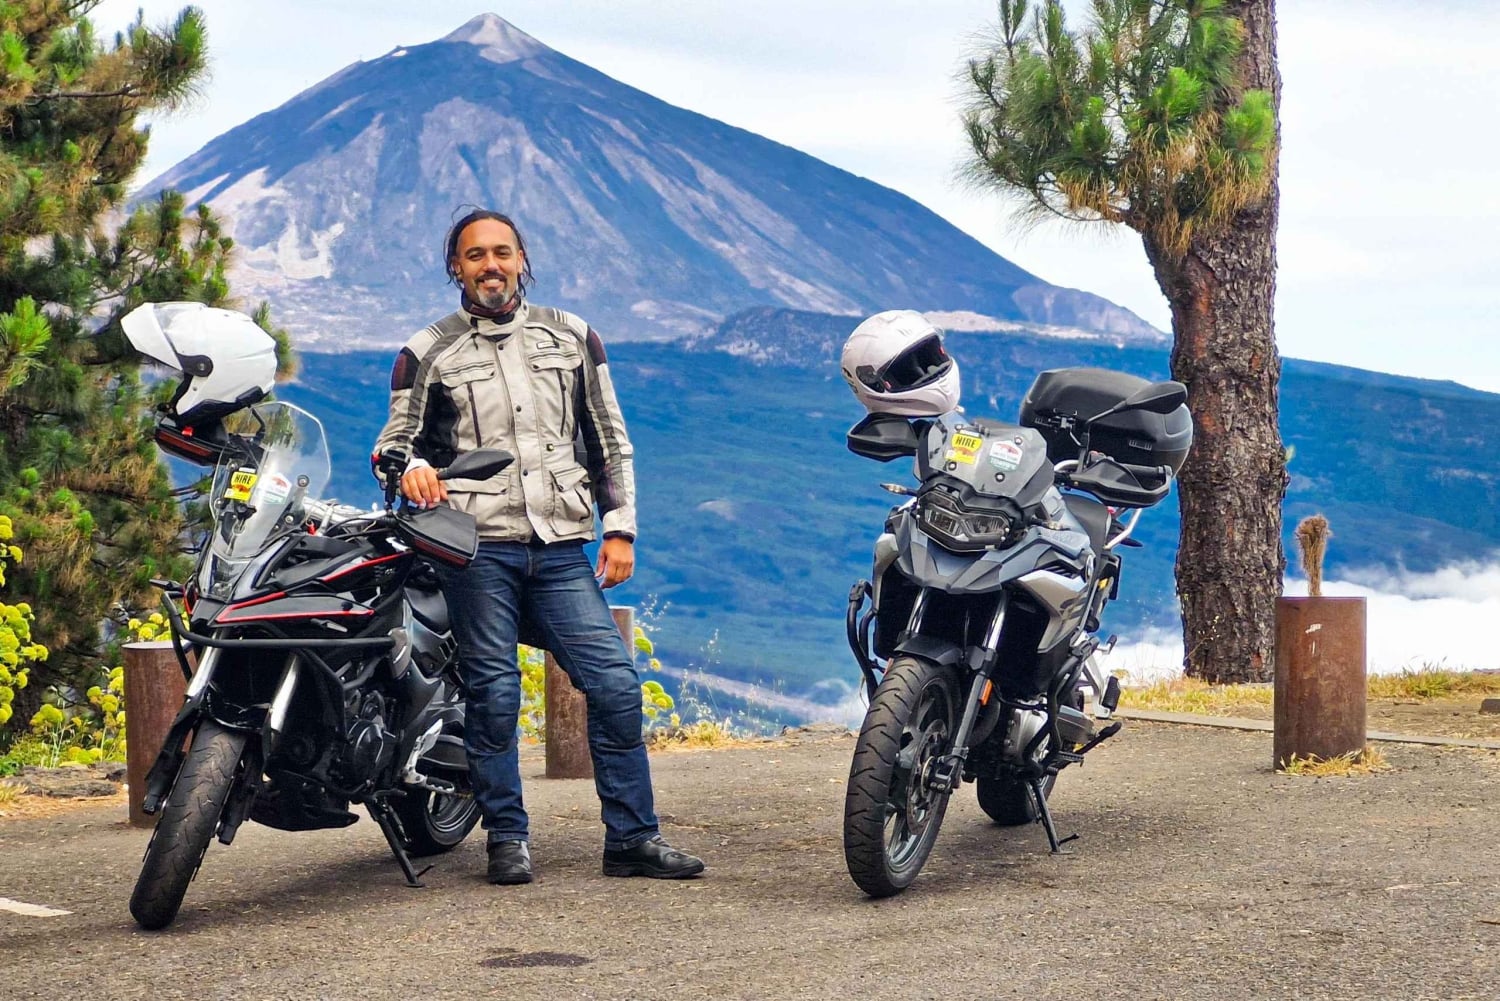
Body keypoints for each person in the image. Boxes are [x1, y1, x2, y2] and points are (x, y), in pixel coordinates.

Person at [371, 208, 704, 884]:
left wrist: (620, 527)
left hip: (559, 548)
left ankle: (632, 840)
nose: (489, 266)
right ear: (454, 268)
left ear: (522, 259)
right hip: (476, 548)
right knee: (493, 692)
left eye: (502, 252)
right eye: (474, 255)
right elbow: (392, 445)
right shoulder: (427, 350)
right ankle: (507, 838)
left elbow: (609, 438)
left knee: (613, 683)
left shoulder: (574, 336)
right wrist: (408, 469)